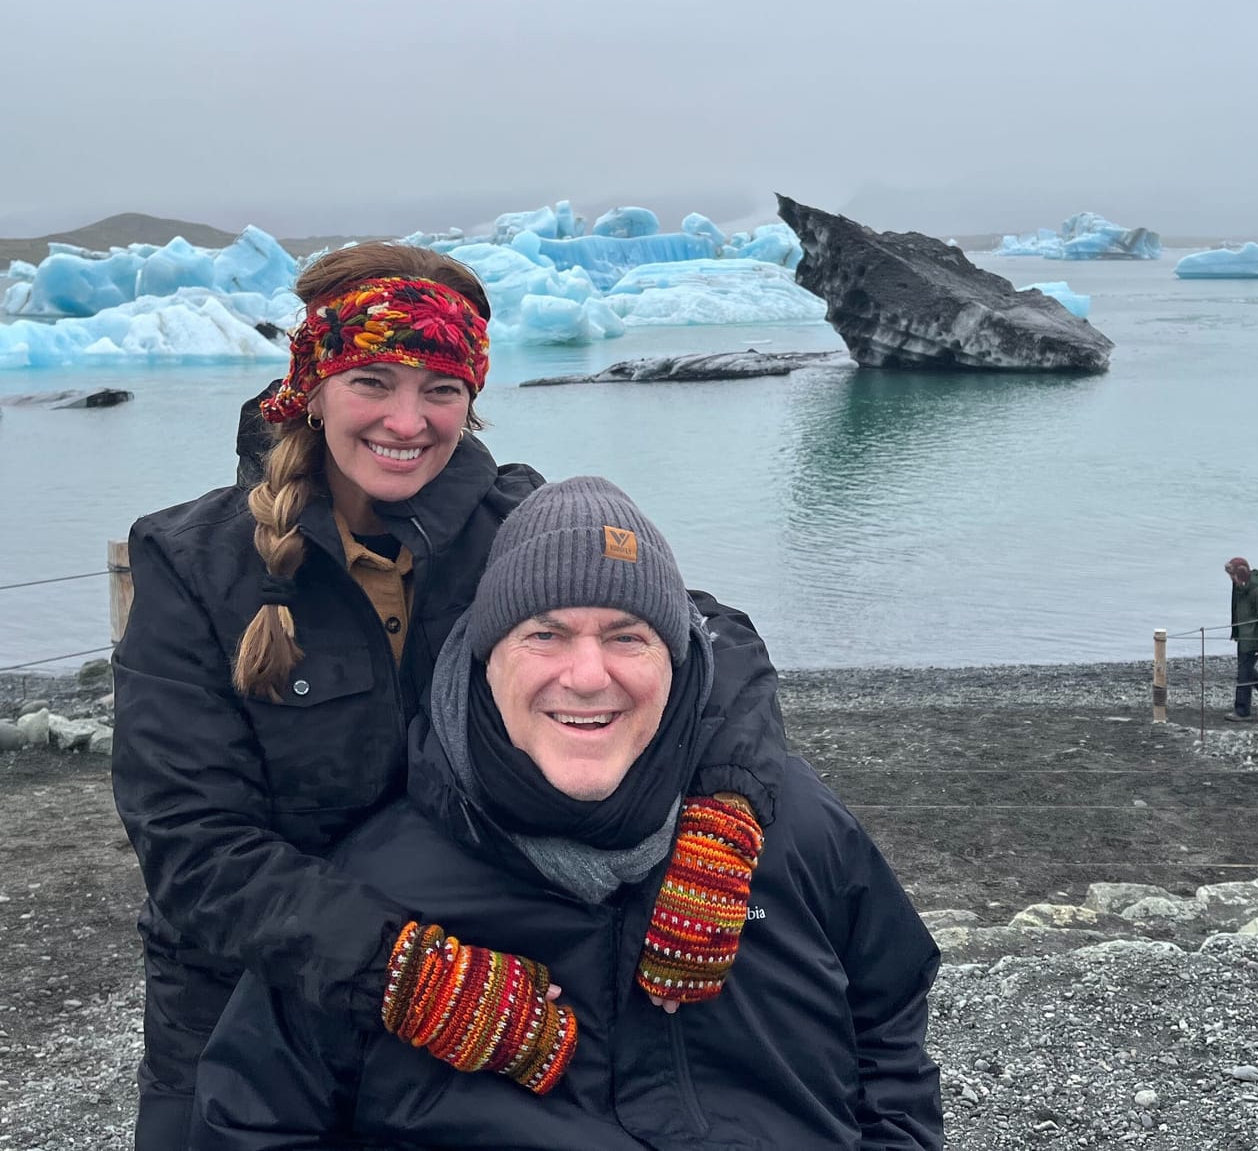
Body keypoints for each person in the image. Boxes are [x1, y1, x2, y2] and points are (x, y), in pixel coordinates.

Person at [112, 245, 788, 1149]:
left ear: (473, 400)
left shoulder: (517, 528)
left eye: (440, 387)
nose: (407, 419)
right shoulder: (193, 565)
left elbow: (705, 642)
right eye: (372, 380)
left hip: (505, 984)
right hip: (245, 1000)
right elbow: (190, 842)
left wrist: (724, 817)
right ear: (311, 387)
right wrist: (404, 972)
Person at [192, 477, 943, 1151]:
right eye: (544, 634)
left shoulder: (792, 828)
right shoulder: (379, 890)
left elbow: (890, 1017)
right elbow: (252, 1124)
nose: (587, 676)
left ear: (676, 660)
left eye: (628, 637)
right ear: (487, 658)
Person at [1223, 556, 1258, 722]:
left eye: (1233, 576)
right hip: (1243, 637)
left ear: (1241, 574)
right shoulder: (1239, 588)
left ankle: (1242, 711)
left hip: (1254, 639)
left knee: (1244, 675)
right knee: (1247, 673)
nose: (1231, 579)